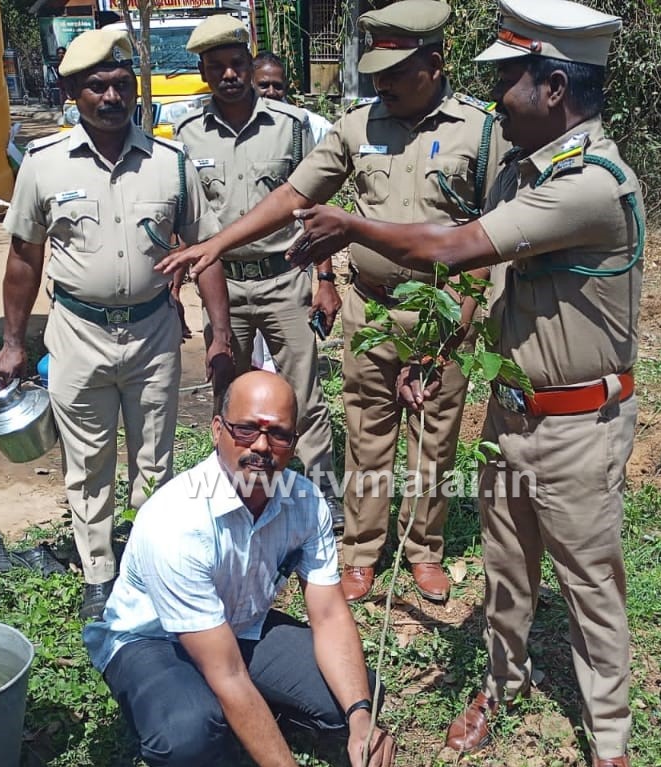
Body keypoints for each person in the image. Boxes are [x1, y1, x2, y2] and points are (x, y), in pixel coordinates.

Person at [279, 0, 645, 767]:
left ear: (554, 87)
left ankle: (611, 742)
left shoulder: (589, 186)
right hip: (512, 412)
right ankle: (501, 687)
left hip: (580, 424)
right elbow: (496, 290)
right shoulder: (525, 168)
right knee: (508, 573)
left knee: (590, 583)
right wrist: (438, 354)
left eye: (507, 80)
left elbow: (453, 248)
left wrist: (348, 226)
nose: (495, 98)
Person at [161, 0, 506, 605]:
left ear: (435, 61)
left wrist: (455, 330)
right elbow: (294, 193)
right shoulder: (355, 127)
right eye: (375, 73)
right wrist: (216, 244)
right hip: (369, 310)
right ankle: (362, 552)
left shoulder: (481, 131)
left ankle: (424, 551)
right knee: (367, 434)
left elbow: (494, 238)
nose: (382, 84)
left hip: (444, 312)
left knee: (434, 437)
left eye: (395, 72)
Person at [82, 371, 396, 767]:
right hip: (152, 640)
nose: (262, 446)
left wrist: (359, 716)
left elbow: (330, 614)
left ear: (295, 441)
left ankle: (248, 724)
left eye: (278, 433)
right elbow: (226, 672)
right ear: (217, 430)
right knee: (187, 733)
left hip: (238, 627)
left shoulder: (304, 501)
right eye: (246, 428)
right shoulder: (177, 521)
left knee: (356, 693)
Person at [0, 29, 234, 621]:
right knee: (89, 461)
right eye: (97, 86)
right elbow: (25, 259)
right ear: (74, 93)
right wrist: (10, 342)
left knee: (156, 460)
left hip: (153, 333)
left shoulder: (170, 163)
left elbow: (205, 249)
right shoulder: (44, 166)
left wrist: (220, 332)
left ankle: (153, 562)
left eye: (121, 84)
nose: (111, 96)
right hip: (78, 334)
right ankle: (99, 572)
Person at [174, 16, 344, 531]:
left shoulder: (291, 127)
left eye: (237, 64)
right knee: (228, 390)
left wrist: (326, 278)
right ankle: (238, 490)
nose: (228, 74)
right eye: (216, 67)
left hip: (283, 278)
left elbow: (310, 207)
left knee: (303, 393)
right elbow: (186, 220)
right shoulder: (186, 134)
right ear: (204, 74)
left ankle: (322, 493)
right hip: (223, 286)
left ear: (250, 65)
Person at [252, 52, 334, 143]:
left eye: (277, 86)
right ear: (250, 87)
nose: (271, 92)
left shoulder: (308, 124)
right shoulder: (239, 126)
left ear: (286, 88)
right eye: (264, 86)